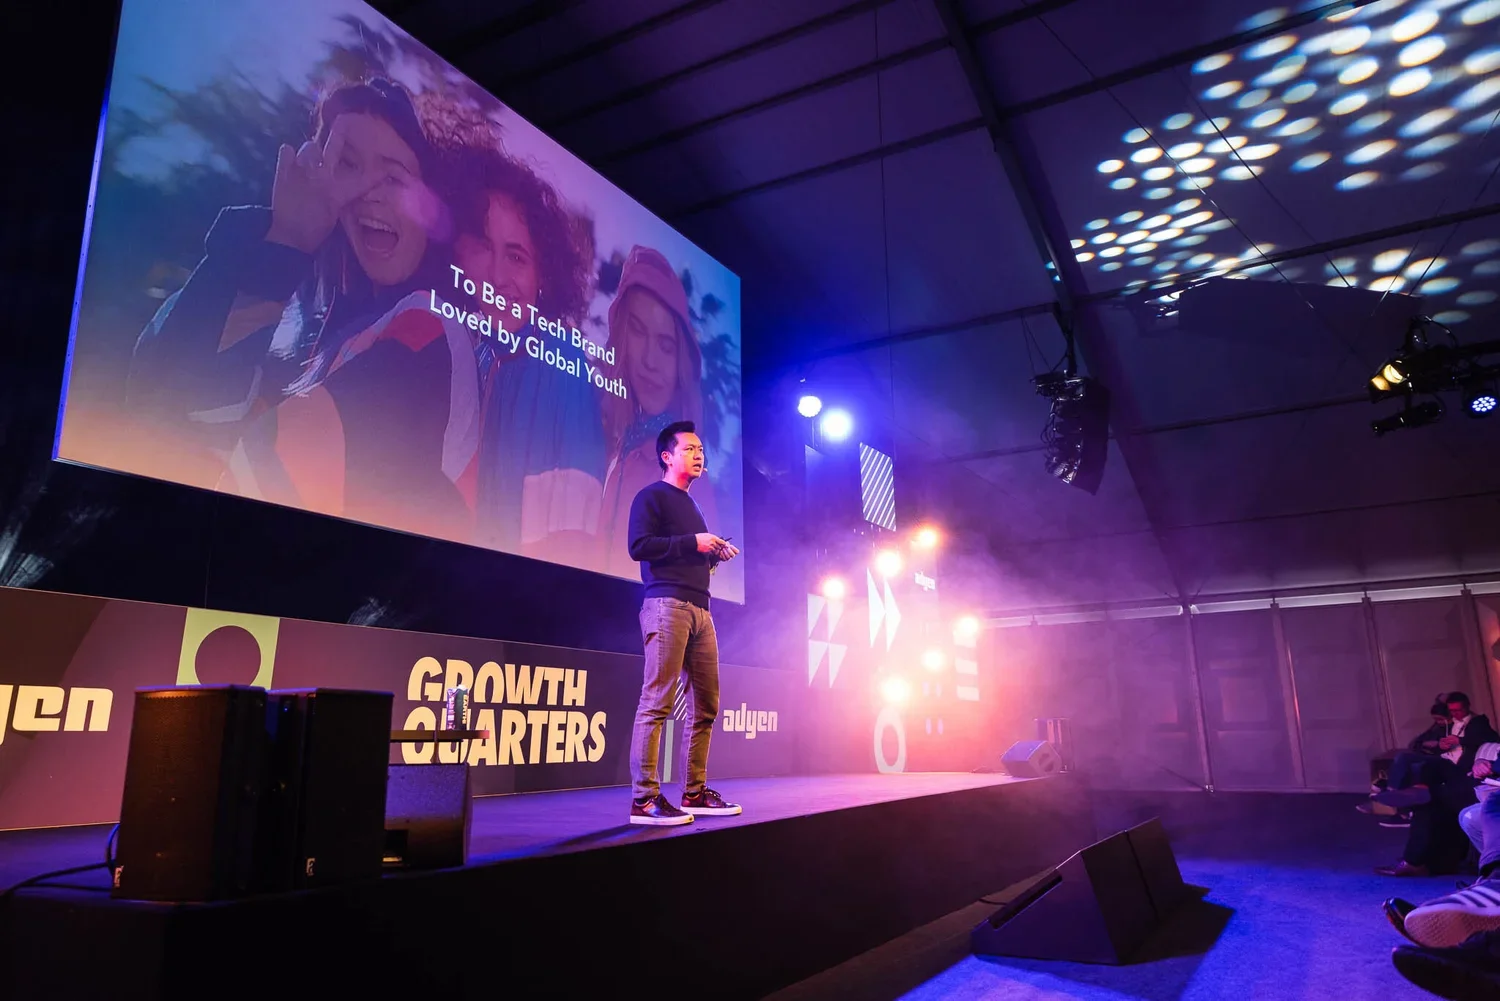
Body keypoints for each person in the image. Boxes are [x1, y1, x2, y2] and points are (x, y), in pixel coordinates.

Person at [127, 78, 480, 542]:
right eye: (346, 165)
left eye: (394, 176)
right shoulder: (310, 334)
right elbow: (159, 409)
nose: (368, 191)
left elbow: (266, 461)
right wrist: (285, 239)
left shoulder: (429, 327)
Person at [446, 146, 606, 566]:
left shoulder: (565, 363)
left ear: (542, 277)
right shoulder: (469, 355)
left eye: (516, 257)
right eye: (484, 247)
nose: (497, 276)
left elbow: (571, 543)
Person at [624, 420, 739, 826]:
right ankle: (644, 799)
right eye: (689, 448)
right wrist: (695, 542)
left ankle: (693, 792)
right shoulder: (651, 496)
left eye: (701, 450)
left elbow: (684, 553)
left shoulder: (694, 505)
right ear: (666, 456)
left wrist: (712, 554)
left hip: (701, 611)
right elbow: (639, 547)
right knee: (657, 703)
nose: (699, 454)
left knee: (705, 705)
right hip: (666, 606)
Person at [596, 246, 718, 581]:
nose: (650, 360)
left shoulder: (686, 469)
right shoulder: (613, 442)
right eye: (637, 330)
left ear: (682, 360)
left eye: (666, 345)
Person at [1376, 693, 1500, 812]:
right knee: (1405, 758)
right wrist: (1440, 745)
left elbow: (1488, 738)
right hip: (1444, 758)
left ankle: (1402, 800)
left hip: (1459, 764)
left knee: (1422, 768)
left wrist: (1460, 740)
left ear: (1467, 706)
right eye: (1452, 711)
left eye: (1458, 710)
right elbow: (1421, 741)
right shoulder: (1448, 723)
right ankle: (1392, 792)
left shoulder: (1478, 722)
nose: (1455, 714)